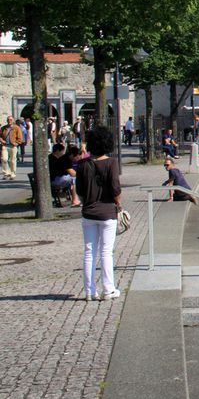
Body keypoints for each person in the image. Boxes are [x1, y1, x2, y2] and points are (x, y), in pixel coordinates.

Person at [75, 126, 122, 301]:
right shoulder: (111, 163)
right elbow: (116, 188)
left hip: (88, 211)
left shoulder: (82, 164)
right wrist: (119, 203)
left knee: (89, 251)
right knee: (106, 252)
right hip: (108, 211)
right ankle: (108, 289)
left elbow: (79, 190)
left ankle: (89, 291)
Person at [1, 115, 23, 180]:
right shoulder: (3, 128)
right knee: (4, 159)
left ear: (13, 120)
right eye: (8, 120)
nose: (9, 121)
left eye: (10, 120)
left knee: (12, 161)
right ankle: (6, 173)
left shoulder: (16, 128)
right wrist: (2, 140)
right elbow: (0, 136)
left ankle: (12, 173)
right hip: (5, 146)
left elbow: (20, 138)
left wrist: (16, 143)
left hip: (13, 146)